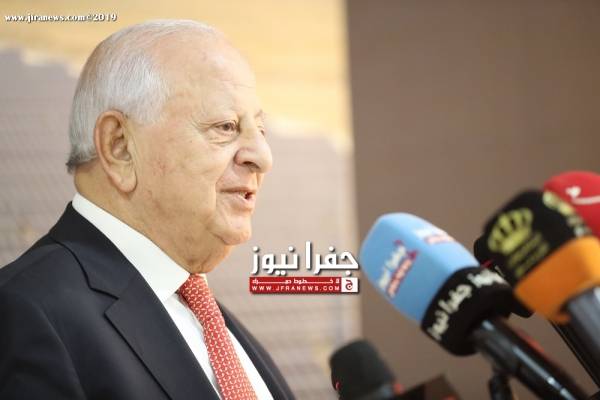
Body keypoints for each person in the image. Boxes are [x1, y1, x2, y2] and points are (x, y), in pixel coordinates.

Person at [0, 19, 294, 400]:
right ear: (120, 146)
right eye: (225, 126)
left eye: (261, 130)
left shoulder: (215, 324)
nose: (263, 157)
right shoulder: (25, 313)